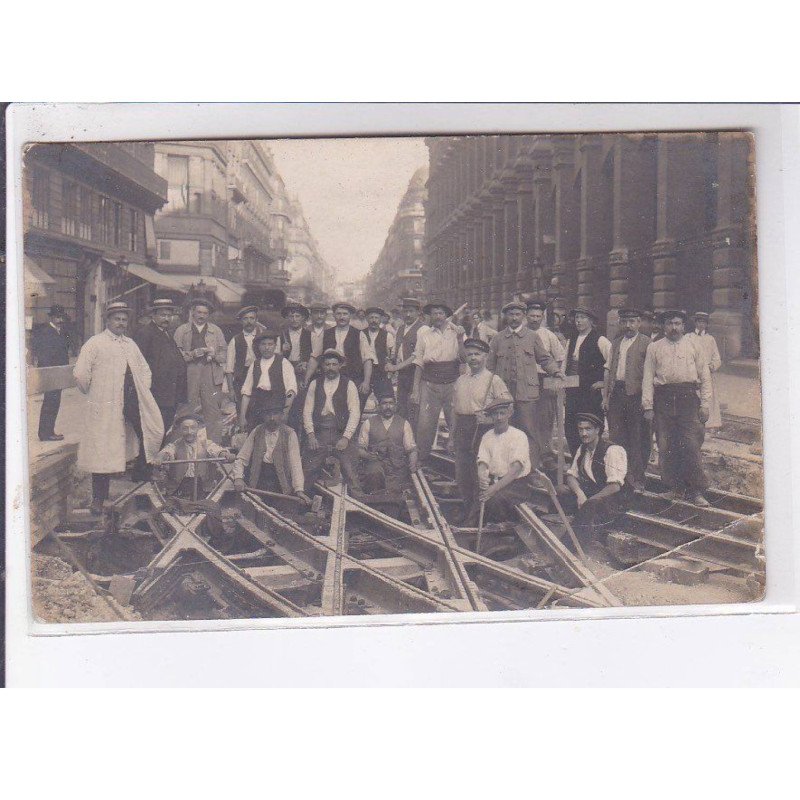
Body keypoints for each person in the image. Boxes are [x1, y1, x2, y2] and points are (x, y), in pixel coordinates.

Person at [73, 301, 164, 513]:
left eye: (124, 319)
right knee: (101, 449)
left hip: (131, 401)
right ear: (108, 320)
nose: (121, 323)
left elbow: (145, 369)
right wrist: (95, 392)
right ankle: (99, 499)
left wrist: (142, 389)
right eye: (117, 319)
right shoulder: (95, 343)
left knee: (150, 431)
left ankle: (144, 478)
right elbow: (80, 373)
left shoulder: (130, 344)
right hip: (104, 404)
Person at [642, 309, 713, 506]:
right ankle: (675, 488)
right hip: (663, 398)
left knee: (690, 443)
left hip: (688, 398)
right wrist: (647, 406)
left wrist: (705, 404)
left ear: (683, 326)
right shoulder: (654, 347)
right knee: (666, 445)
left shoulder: (694, 346)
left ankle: (696, 491)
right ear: (664, 326)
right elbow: (648, 377)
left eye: (677, 323)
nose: (674, 327)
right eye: (669, 323)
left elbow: (705, 376)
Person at [487, 300, 561, 471]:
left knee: (529, 430)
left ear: (523, 316)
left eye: (518, 314)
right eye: (511, 314)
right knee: (504, 429)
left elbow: (545, 358)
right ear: (506, 316)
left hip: (527, 393)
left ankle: (531, 470)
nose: (514, 318)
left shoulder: (532, 337)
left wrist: (556, 372)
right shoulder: (498, 339)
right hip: (504, 394)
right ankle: (506, 469)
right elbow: (489, 367)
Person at [452, 338, 512, 525]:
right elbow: (455, 410)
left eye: (477, 354)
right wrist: (452, 436)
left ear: (485, 356)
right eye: (469, 354)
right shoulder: (460, 380)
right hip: (463, 428)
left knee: (479, 474)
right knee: (462, 474)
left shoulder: (493, 380)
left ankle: (476, 516)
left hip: (482, 430)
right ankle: (467, 508)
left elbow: (509, 406)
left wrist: (490, 419)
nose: (473, 358)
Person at [602, 308, 651, 490]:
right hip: (617, 394)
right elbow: (608, 370)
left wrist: (647, 402)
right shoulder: (616, 343)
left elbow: (650, 374)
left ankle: (637, 480)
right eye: (624, 322)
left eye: (632, 321)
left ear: (639, 323)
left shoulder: (647, 343)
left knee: (637, 438)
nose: (628, 325)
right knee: (617, 437)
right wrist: (605, 397)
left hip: (636, 397)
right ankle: (619, 477)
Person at [410, 299, 465, 462]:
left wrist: (461, 339)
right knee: (425, 424)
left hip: (452, 383)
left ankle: (459, 461)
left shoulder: (457, 332)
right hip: (429, 383)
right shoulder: (424, 334)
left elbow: (464, 359)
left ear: (446, 315)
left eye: (441, 313)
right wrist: (415, 390)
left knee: (455, 421)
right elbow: (419, 362)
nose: (438, 316)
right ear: (430, 316)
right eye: (434, 313)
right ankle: (421, 460)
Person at [560, 412, 628, 542]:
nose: (584, 433)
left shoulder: (612, 450)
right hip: (591, 496)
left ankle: (570, 543)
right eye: (581, 429)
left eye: (588, 429)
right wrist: (580, 493)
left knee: (590, 505)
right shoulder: (582, 449)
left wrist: (588, 500)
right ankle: (557, 528)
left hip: (613, 500)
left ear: (597, 430)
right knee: (561, 490)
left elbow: (614, 487)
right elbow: (571, 476)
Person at [302, 348, 363, 492]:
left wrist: (346, 438)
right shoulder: (315, 384)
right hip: (320, 432)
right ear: (323, 366)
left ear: (340, 365)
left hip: (341, 432)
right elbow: (307, 411)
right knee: (309, 469)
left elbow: (355, 413)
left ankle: (357, 499)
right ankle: (303, 499)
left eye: (334, 364)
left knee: (350, 471)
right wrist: (311, 435)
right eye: (327, 364)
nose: (331, 368)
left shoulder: (349, 384)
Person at [233, 397, 312, 505]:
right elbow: (241, 458)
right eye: (268, 414)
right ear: (262, 416)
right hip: (258, 484)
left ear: (282, 415)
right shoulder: (256, 431)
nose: (272, 418)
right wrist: (238, 478)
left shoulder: (290, 434)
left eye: (275, 413)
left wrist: (299, 490)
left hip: (281, 487)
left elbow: (296, 464)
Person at [174, 298, 228, 444]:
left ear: (208, 315)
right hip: (189, 373)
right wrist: (192, 354)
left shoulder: (216, 331)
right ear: (192, 312)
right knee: (186, 410)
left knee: (213, 411)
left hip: (210, 372)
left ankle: (214, 447)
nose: (201, 316)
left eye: (205, 313)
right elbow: (175, 355)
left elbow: (224, 354)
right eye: (199, 312)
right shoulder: (182, 330)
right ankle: (180, 446)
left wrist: (214, 355)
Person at [133, 297, 187, 437]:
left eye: (169, 315)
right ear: (153, 315)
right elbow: (138, 363)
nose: (167, 319)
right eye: (163, 315)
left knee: (164, 428)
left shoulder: (167, 333)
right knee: (154, 430)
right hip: (156, 393)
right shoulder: (145, 333)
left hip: (169, 393)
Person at [304, 302, 375, 409]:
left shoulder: (359, 334)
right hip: (330, 375)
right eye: (338, 314)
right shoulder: (326, 333)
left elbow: (367, 359)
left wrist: (366, 382)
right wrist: (306, 379)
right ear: (334, 315)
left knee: (354, 407)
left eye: (345, 314)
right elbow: (314, 357)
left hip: (353, 376)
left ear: (350, 316)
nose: (342, 317)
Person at [153, 410, 235, 498]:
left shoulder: (206, 444)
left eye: (193, 428)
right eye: (185, 428)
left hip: (202, 485)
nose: (189, 432)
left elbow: (216, 450)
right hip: (180, 485)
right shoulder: (175, 445)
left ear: (198, 429)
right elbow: (167, 451)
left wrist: (225, 455)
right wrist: (160, 458)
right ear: (180, 430)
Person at [564, 307, 611, 457]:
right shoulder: (571, 340)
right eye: (577, 317)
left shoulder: (601, 340)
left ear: (591, 321)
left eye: (582, 317)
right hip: (573, 392)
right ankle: (576, 462)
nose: (578, 321)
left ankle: (592, 461)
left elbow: (612, 364)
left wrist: (603, 383)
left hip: (590, 394)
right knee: (571, 428)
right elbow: (565, 364)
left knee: (590, 427)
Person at [477, 399, 534, 522]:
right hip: (495, 482)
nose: (499, 417)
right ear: (491, 416)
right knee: (476, 500)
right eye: (495, 414)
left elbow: (515, 470)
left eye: (502, 413)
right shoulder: (487, 436)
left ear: (509, 414)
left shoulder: (519, 436)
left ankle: (501, 529)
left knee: (495, 500)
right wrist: (481, 476)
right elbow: (482, 461)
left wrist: (493, 489)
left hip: (516, 485)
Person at [526, 300, 566, 469]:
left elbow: (559, 357)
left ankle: (546, 455)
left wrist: (554, 376)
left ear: (542, 317)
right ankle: (529, 456)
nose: (535, 319)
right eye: (532, 316)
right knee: (527, 419)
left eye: (538, 316)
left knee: (545, 419)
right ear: (526, 316)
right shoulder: (521, 333)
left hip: (544, 380)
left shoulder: (548, 335)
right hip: (525, 381)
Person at [356, 388, 418, 495]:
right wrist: (368, 456)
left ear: (395, 406)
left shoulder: (404, 424)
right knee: (374, 475)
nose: (388, 406)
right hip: (375, 465)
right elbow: (359, 449)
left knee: (395, 492)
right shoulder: (368, 423)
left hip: (396, 468)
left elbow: (412, 449)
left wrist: (412, 465)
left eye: (391, 403)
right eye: (384, 403)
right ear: (379, 406)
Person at [239, 331, 297, 429]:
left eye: (270, 344)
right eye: (263, 344)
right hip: (258, 408)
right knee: (257, 434)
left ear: (275, 346)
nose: (267, 347)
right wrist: (242, 416)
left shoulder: (284, 363)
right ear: (259, 346)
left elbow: (291, 391)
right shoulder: (255, 364)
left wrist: (285, 412)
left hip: (277, 408)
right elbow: (246, 392)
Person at [31, 304, 72, 441]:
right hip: (51, 373)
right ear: (52, 317)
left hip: (58, 372)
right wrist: (49, 374)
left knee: (54, 402)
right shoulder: (46, 332)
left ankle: (48, 431)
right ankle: (45, 433)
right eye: (58, 317)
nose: (60, 320)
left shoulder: (61, 331)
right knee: (50, 402)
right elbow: (43, 354)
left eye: (62, 317)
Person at [385, 297, 427, 423]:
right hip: (403, 374)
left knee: (414, 406)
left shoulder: (423, 329)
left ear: (418, 312)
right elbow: (395, 350)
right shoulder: (400, 328)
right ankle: (403, 432)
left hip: (416, 373)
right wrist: (390, 361)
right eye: (405, 311)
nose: (408, 314)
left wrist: (396, 367)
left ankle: (413, 433)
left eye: (411, 311)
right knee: (401, 406)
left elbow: (417, 355)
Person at [280, 302, 313, 432]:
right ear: (287, 318)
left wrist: (306, 363)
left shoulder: (310, 335)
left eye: (297, 316)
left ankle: (303, 437)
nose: (294, 319)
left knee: (303, 405)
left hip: (303, 372)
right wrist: (282, 351)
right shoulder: (281, 335)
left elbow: (315, 355)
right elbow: (275, 357)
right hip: (286, 371)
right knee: (288, 403)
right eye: (291, 316)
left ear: (303, 318)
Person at [687, 311, 723, 429]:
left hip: (707, 373)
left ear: (707, 324)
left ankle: (709, 422)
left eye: (704, 322)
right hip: (692, 373)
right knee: (693, 397)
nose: (701, 324)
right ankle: (693, 421)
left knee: (707, 396)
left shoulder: (710, 339)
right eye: (699, 322)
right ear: (695, 323)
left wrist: (712, 366)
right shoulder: (689, 337)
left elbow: (717, 358)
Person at [225, 305, 266, 401]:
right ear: (241, 321)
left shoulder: (263, 337)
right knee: (241, 406)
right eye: (245, 319)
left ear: (256, 320)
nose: (249, 321)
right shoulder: (235, 340)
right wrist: (231, 390)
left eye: (252, 318)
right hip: (242, 377)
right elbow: (229, 368)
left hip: (262, 376)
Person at [363, 306, 395, 401]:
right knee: (360, 398)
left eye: (376, 318)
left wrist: (389, 366)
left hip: (381, 372)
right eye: (371, 317)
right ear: (367, 319)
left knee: (386, 399)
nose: (374, 320)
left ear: (380, 319)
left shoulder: (387, 335)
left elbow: (392, 354)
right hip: (363, 371)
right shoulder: (360, 334)